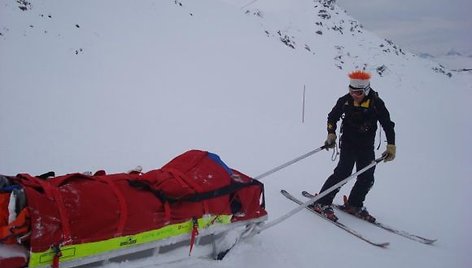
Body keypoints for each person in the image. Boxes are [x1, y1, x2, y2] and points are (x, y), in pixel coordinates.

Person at [311, 70, 396, 222]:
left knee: (367, 177)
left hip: (366, 146)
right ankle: (322, 202)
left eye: (357, 92)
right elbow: (332, 117)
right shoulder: (345, 100)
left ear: (366, 90)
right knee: (343, 173)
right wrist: (331, 133)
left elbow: (388, 125)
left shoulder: (376, 103)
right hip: (348, 144)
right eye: (351, 91)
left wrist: (391, 145)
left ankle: (354, 204)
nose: (354, 95)